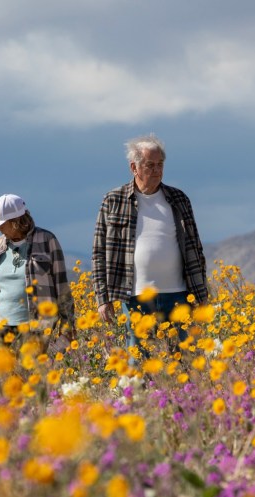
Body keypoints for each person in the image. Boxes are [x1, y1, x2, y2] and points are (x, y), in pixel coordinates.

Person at [92, 133, 209, 354]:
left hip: (178, 295)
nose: (156, 170)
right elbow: (99, 253)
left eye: (160, 164)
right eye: (150, 165)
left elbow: (195, 247)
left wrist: (201, 294)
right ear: (134, 167)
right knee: (139, 360)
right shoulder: (113, 200)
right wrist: (102, 299)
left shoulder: (179, 199)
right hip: (135, 296)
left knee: (185, 360)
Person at [0, 193, 75, 349]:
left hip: (37, 329)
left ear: (15, 222)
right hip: (1, 330)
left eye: (1, 224)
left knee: (34, 365)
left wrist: (67, 328)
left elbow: (62, 287)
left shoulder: (47, 240)